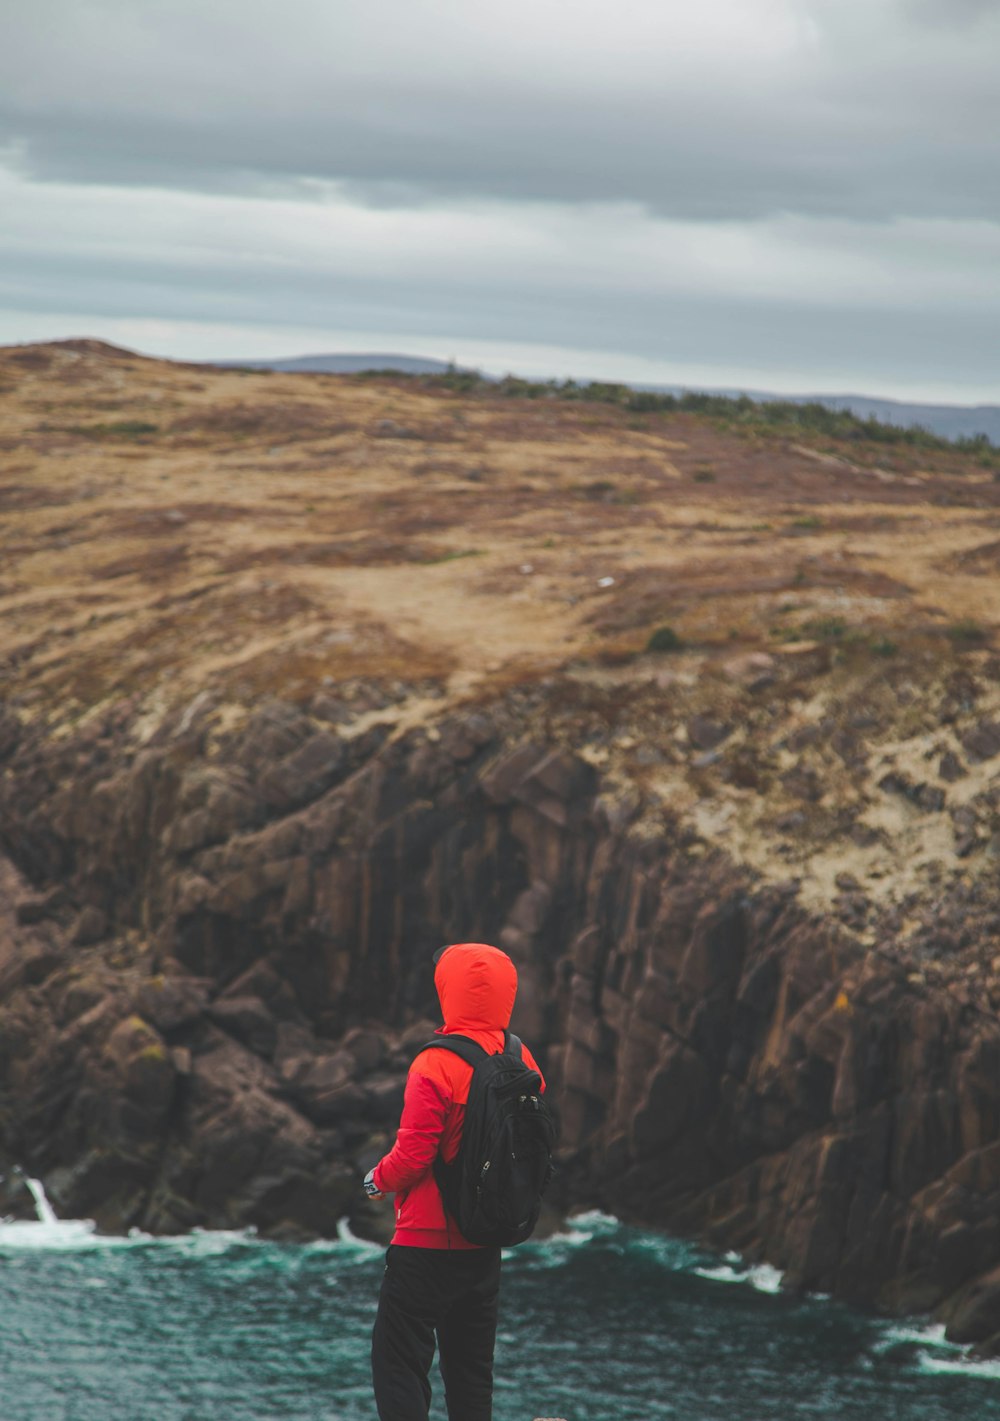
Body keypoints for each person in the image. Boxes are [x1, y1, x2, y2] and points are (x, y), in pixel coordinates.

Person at [366, 941, 546, 1421]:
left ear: (448, 989)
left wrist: (375, 1180)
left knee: (398, 1363)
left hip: (425, 1243)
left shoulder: (435, 1063)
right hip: (485, 1241)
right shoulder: (522, 1059)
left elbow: (413, 1156)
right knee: (470, 1373)